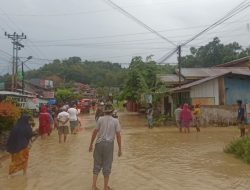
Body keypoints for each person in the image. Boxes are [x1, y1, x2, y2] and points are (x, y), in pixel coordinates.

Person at [89, 103, 122, 190]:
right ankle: (105, 187)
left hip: (99, 143)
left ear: (104, 111)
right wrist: (120, 149)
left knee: (96, 165)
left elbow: (95, 132)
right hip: (109, 144)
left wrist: (91, 144)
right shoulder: (116, 121)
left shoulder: (100, 119)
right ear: (112, 112)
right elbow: (118, 135)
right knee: (107, 165)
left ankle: (93, 186)